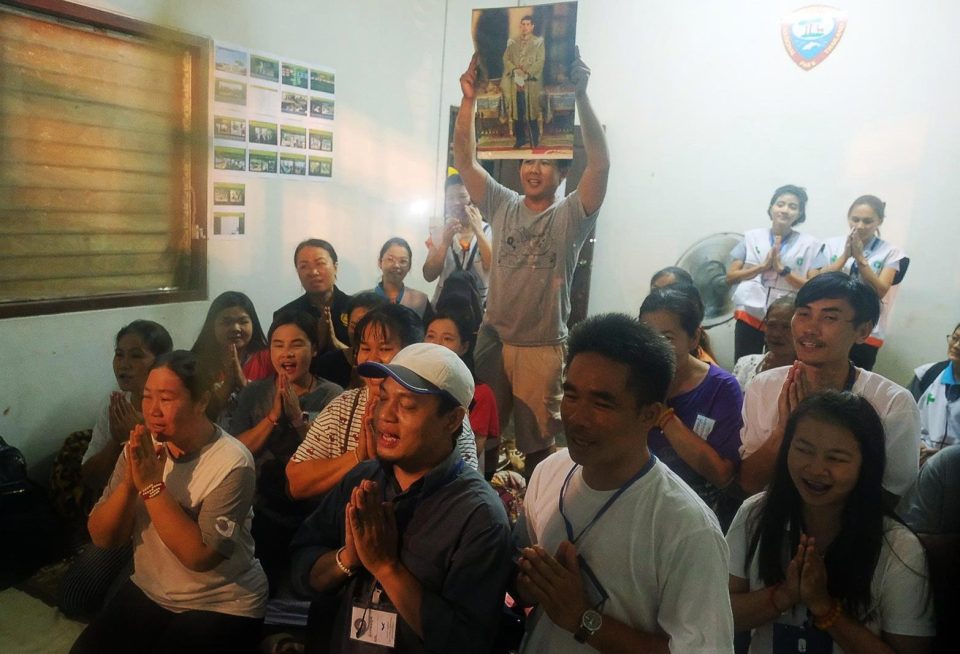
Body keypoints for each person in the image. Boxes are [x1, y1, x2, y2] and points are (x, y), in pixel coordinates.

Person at [515, 313, 733, 653]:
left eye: (602, 403)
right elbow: (523, 581)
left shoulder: (687, 528)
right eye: (571, 395)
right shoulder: (548, 474)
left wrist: (584, 619)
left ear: (650, 414)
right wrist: (530, 584)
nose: (578, 418)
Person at [289, 343, 512, 653]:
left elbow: (465, 641)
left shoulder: (479, 516)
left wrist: (386, 567)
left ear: (452, 419)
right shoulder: (362, 479)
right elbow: (300, 574)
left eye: (406, 405)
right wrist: (348, 559)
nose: (386, 415)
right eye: (383, 398)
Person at [456, 47, 610, 478]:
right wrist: (469, 99)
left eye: (544, 162)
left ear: (562, 174)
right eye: (527, 160)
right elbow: (464, 161)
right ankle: (485, 512)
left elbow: (600, 163)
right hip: (493, 338)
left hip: (541, 347)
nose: (533, 169)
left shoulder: (570, 216)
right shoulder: (502, 204)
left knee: (539, 449)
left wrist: (581, 96)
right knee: (480, 438)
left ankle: (535, 519)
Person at [70, 351, 267, 654]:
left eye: (167, 398)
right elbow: (103, 536)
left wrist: (150, 485)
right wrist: (129, 483)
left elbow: (201, 557)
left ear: (201, 401)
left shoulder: (232, 462)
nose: (153, 411)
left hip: (223, 601)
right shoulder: (140, 448)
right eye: (148, 397)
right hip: (152, 591)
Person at [727, 390, 934, 653]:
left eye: (835, 458)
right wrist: (782, 596)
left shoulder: (899, 548)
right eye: (803, 450)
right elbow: (721, 612)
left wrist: (825, 607)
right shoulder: (754, 515)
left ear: (865, 464)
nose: (815, 469)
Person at [737, 273, 921, 505]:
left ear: (863, 331)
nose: (810, 329)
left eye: (829, 318)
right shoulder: (764, 386)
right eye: (803, 314)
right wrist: (784, 430)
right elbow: (749, 482)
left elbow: (891, 496)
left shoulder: (892, 402)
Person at [285, 305, 478, 501]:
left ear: (413, 351)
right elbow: (296, 482)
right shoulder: (344, 406)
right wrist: (356, 458)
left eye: (385, 348)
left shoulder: (443, 417)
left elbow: (464, 489)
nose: (372, 358)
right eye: (365, 348)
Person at [61, 320, 173, 618]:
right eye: (119, 354)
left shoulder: (175, 406)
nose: (124, 364)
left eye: (136, 356)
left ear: (159, 361)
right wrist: (117, 439)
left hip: (163, 522)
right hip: (123, 515)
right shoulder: (115, 404)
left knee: (121, 609)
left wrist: (143, 431)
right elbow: (90, 477)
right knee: (72, 598)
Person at [228, 310, 342, 589]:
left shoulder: (333, 396)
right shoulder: (254, 393)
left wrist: (295, 419)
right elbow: (234, 452)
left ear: (314, 349)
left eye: (297, 344)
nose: (286, 354)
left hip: (311, 509)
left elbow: (334, 463)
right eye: (278, 345)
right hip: (260, 507)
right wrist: (271, 418)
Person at [639, 287, 744, 526]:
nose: (654, 348)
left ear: (694, 338)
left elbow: (722, 475)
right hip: (638, 504)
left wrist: (664, 415)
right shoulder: (631, 378)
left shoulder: (722, 388)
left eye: (667, 338)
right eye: (647, 336)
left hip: (695, 516)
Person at [809, 195, 909, 370]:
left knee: (855, 384)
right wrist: (844, 257)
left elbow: (881, 290)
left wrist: (861, 258)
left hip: (866, 329)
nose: (860, 226)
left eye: (867, 221)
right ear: (848, 218)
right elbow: (814, 283)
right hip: (828, 325)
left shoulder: (892, 252)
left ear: (879, 221)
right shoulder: (830, 244)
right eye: (855, 219)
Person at [727, 185, 821, 361]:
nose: (785, 210)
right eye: (780, 204)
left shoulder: (811, 244)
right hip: (750, 313)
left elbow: (813, 286)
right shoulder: (751, 237)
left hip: (786, 319)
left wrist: (783, 270)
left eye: (793, 207)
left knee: (781, 366)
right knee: (744, 363)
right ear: (771, 208)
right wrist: (761, 267)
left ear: (800, 214)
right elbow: (731, 277)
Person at [425, 310, 500, 473]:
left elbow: (470, 453)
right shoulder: (412, 385)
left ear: (464, 346)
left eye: (447, 339)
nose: (436, 344)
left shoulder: (480, 394)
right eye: (430, 336)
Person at [190, 291, 270, 421]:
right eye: (226, 322)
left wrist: (243, 383)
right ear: (212, 326)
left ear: (253, 324)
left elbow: (272, 411)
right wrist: (228, 383)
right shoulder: (198, 362)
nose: (235, 328)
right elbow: (198, 415)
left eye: (243, 321)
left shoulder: (268, 358)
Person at [274, 238, 352, 363]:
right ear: (297, 271)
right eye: (304, 266)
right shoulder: (285, 315)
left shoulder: (356, 308)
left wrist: (335, 343)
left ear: (335, 267)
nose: (313, 272)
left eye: (320, 263)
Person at [423, 174, 492, 306]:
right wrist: (444, 243)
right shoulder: (439, 232)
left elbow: (492, 267)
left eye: (462, 196)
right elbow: (428, 275)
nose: (455, 202)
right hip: (443, 308)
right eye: (450, 198)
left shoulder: (490, 231)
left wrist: (478, 229)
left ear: (473, 198)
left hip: (477, 311)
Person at [310, 291, 387, 389]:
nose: (358, 333)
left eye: (366, 327)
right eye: (354, 326)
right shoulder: (328, 363)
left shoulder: (392, 363)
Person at [913, 322, 960, 461]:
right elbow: (905, 417)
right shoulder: (928, 374)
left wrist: (945, 457)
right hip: (918, 457)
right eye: (955, 338)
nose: (957, 346)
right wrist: (916, 444)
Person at [731, 294, 798, 391]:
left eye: (786, 327)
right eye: (771, 325)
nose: (776, 334)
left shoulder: (809, 374)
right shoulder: (745, 365)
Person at [500, 14, 545, 148]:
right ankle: (520, 139)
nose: (525, 27)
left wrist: (527, 71)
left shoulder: (538, 43)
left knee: (531, 111)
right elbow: (505, 59)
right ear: (520, 26)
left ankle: (534, 139)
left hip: (530, 83)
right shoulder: (512, 42)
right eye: (523, 24)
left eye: (527, 24)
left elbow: (541, 60)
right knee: (517, 111)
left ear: (532, 27)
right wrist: (514, 69)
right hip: (516, 82)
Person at [368, 237, 433, 319]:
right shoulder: (364, 301)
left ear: (409, 266)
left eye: (403, 261)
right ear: (380, 262)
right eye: (390, 259)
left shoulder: (420, 301)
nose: (396, 265)